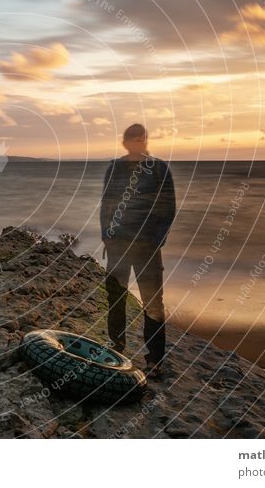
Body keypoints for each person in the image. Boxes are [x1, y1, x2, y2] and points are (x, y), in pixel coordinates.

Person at [99, 123, 176, 378]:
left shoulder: (159, 169)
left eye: (139, 139)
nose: (135, 143)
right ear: (125, 142)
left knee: (153, 303)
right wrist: (106, 235)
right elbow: (106, 203)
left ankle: (154, 361)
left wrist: (156, 240)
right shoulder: (115, 168)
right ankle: (116, 347)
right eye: (130, 139)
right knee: (116, 298)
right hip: (118, 245)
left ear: (145, 141)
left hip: (147, 247)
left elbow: (168, 208)